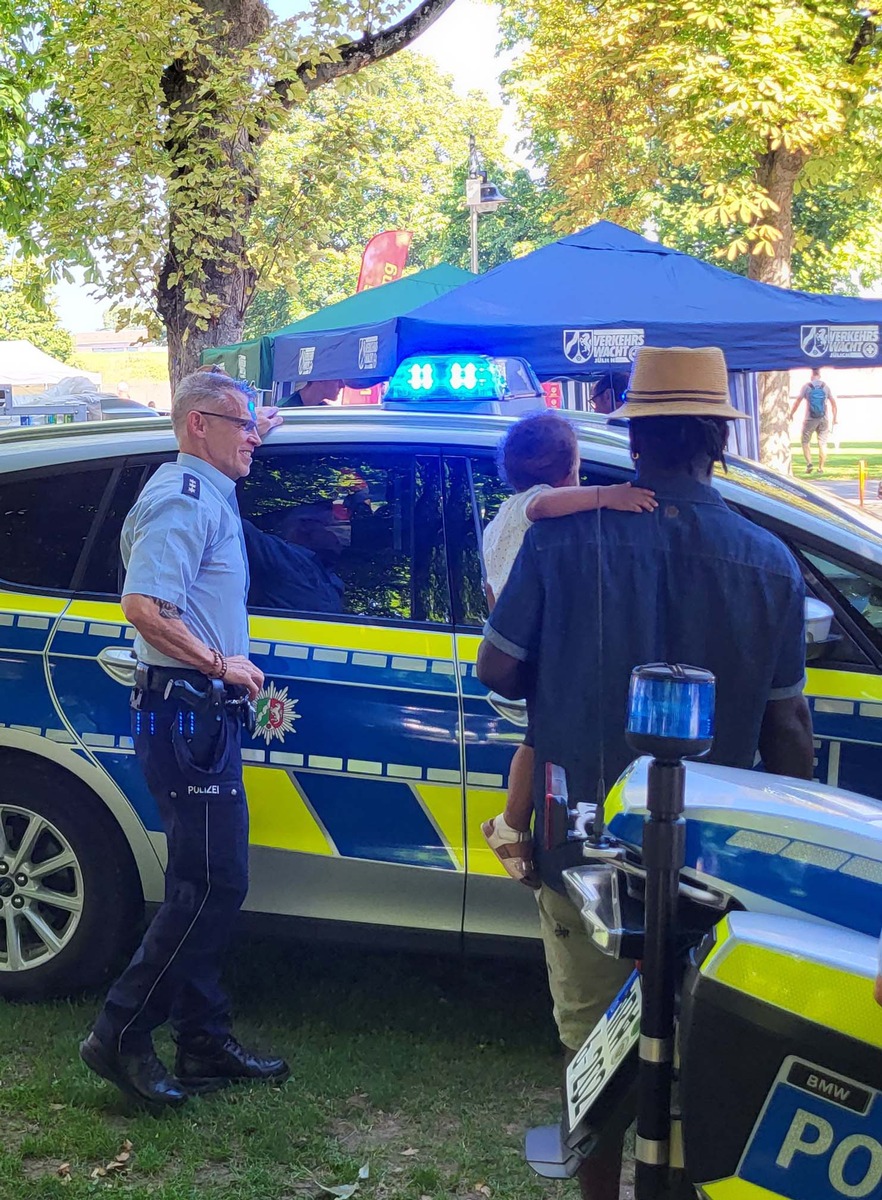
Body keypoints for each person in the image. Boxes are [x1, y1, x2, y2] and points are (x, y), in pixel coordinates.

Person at [477, 345, 814, 1200]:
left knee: (593, 1045)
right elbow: (790, 729)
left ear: (632, 441)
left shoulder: (561, 537)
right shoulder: (771, 561)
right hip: (713, 858)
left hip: (582, 842)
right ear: (716, 441)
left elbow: (499, 671)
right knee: (701, 1042)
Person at [80, 371, 288, 1110]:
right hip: (186, 709)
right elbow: (144, 603)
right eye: (244, 427)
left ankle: (202, 1038)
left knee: (207, 881)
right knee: (210, 883)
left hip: (200, 714)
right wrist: (219, 663)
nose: (256, 439)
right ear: (199, 425)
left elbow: (237, 426)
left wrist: (262, 415)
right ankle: (120, 1033)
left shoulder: (207, 490)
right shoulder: (181, 498)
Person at [481, 412, 656, 885]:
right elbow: (544, 508)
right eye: (578, 471)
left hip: (515, 646)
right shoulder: (530, 507)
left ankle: (513, 824)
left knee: (537, 739)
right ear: (566, 471)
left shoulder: (497, 521)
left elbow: (494, 597)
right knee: (538, 740)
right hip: (535, 653)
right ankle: (511, 823)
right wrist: (610, 496)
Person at [791, 368, 838, 475]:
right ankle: (821, 468)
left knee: (805, 441)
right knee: (822, 443)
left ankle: (809, 463)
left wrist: (791, 413)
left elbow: (798, 401)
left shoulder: (807, 387)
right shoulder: (825, 387)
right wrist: (835, 418)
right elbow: (833, 404)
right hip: (824, 419)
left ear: (811, 376)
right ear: (820, 375)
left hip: (810, 419)